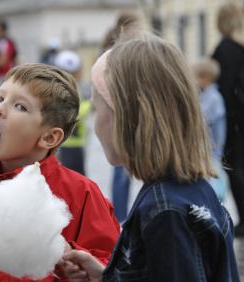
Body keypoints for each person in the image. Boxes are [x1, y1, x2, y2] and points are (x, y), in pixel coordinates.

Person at [62, 33, 239, 281]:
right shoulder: (193, 191)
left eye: (97, 107)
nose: (93, 118)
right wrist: (106, 276)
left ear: (124, 117)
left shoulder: (165, 214)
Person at [0, 63, 120, 281]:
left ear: (49, 137)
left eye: (20, 107)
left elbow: (112, 266)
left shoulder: (82, 193)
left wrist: (67, 255)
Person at [101, 10, 142, 222]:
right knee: (123, 167)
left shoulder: (113, 46)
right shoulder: (122, 49)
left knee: (122, 167)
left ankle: (120, 215)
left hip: (117, 111)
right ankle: (121, 216)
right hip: (123, 111)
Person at [212, 3, 244, 236]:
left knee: (235, 168)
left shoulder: (224, 50)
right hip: (238, 118)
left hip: (233, 120)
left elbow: (226, 88)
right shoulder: (237, 49)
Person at [192, 58, 229, 202]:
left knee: (212, 185)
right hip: (209, 150)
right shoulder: (208, 95)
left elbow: (201, 117)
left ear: (205, 78)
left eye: (195, 77)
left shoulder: (212, 97)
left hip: (211, 151)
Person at [54, 50, 92, 175]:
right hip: (69, 144)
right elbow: (73, 113)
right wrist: (91, 104)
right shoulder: (66, 88)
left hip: (74, 143)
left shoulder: (70, 86)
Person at [0, 20, 18, 86]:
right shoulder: (1, 41)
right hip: (4, 75)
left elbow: (3, 61)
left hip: (5, 75)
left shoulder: (4, 42)